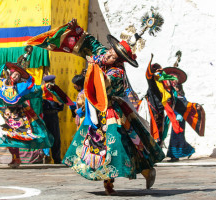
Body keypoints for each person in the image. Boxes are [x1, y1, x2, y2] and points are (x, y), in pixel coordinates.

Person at [27, 18, 165, 195]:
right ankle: (109, 181)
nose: (108, 55)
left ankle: (144, 171)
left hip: (111, 111)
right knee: (98, 145)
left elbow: (103, 84)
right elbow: (89, 41)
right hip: (95, 110)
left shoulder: (117, 73)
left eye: (113, 56)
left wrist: (94, 66)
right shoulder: (102, 54)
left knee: (118, 145)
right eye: (109, 51)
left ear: (119, 60)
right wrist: (74, 28)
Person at [42, 75, 64, 164]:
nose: (52, 84)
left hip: (54, 115)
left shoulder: (56, 92)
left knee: (56, 138)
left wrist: (59, 104)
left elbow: (61, 105)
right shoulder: (41, 92)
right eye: (50, 82)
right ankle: (45, 156)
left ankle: (57, 158)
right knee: (44, 137)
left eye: (53, 82)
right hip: (44, 116)